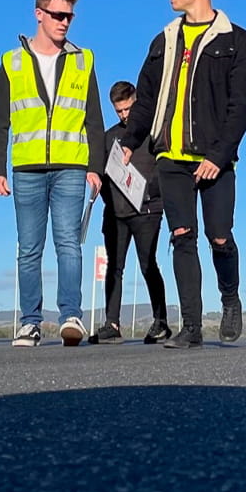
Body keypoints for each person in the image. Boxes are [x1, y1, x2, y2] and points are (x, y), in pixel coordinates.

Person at [121, 0, 246, 349]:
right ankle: (192, 327)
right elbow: (145, 99)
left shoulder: (236, 40)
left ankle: (230, 299)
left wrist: (220, 154)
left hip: (215, 159)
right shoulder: (162, 40)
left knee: (219, 237)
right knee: (182, 236)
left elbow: (241, 105)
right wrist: (131, 142)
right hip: (170, 158)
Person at [0, 0, 104, 347]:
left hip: (71, 165)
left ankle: (71, 316)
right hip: (27, 167)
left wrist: (95, 166)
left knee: (69, 243)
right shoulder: (12, 61)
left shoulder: (84, 60)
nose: (64, 22)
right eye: (58, 15)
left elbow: (94, 120)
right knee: (29, 247)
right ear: (39, 14)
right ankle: (30, 322)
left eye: (69, 16)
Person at [89, 81, 170, 345]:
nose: (124, 115)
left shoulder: (154, 130)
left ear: (136, 100)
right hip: (115, 211)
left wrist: (152, 192)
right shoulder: (109, 136)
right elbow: (100, 173)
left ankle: (160, 322)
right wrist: (101, 193)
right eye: (119, 111)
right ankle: (112, 324)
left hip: (148, 209)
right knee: (114, 267)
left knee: (148, 264)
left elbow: (165, 167)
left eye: (128, 108)